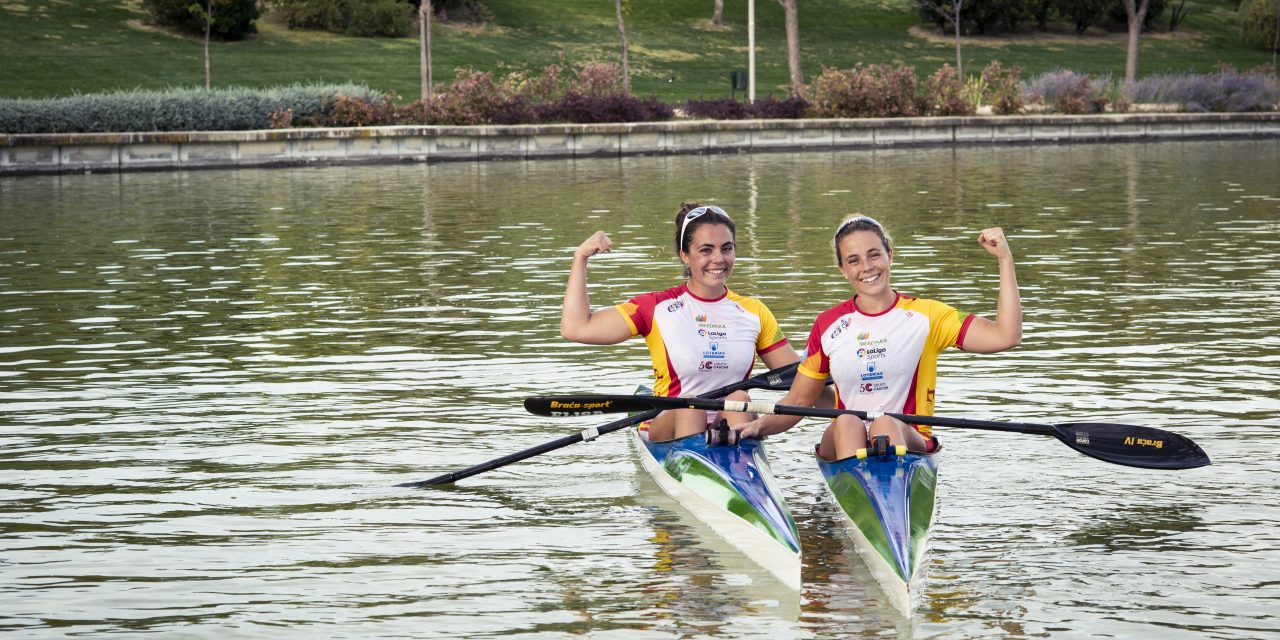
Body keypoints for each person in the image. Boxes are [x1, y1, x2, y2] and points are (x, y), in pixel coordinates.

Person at [737, 214, 1022, 460]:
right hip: (845, 437)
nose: (867, 267)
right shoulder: (828, 324)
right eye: (853, 260)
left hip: (908, 437)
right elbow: (799, 400)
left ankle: (877, 497)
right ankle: (862, 498)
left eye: (874, 254)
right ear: (843, 270)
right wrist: (758, 427)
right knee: (848, 421)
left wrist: (1005, 259)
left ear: (890, 255)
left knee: (885, 424)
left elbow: (1005, 336)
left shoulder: (928, 316)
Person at [560, 203, 825, 442]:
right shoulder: (654, 308)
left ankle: (740, 467)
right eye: (705, 250)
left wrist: (853, 411)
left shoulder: (754, 312)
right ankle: (698, 467)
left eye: (727, 248)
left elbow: (802, 382)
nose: (718, 259)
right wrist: (580, 258)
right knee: (691, 406)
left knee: (739, 399)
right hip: (672, 423)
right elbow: (576, 328)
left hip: (731, 420)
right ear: (685, 255)